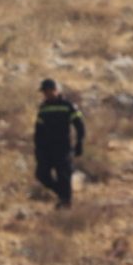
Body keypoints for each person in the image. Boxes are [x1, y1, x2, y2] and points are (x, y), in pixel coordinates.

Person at [34, 78, 86, 209]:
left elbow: (79, 125)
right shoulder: (44, 108)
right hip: (46, 148)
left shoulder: (68, 106)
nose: (46, 94)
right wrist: (38, 148)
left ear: (56, 90)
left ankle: (65, 202)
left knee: (63, 174)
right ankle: (62, 194)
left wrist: (79, 142)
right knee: (42, 175)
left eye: (48, 91)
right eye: (44, 92)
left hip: (63, 147)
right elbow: (38, 130)